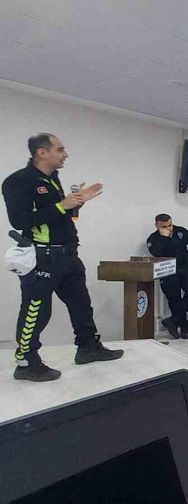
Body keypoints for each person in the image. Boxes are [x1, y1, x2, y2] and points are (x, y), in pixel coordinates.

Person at [3, 133, 123, 381]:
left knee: (81, 303)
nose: (65, 154)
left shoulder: (52, 179)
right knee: (37, 310)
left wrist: (77, 203)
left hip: (68, 254)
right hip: (43, 257)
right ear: (42, 153)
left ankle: (88, 347)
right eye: (60, 149)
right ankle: (26, 362)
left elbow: (60, 216)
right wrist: (62, 205)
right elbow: (20, 221)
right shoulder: (18, 181)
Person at [146, 213, 188, 339]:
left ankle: (173, 320)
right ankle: (183, 325)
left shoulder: (180, 231)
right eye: (164, 226)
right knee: (174, 300)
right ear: (156, 225)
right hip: (168, 272)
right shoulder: (153, 238)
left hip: (185, 269)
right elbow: (156, 252)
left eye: (170, 225)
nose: (168, 229)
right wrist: (163, 237)